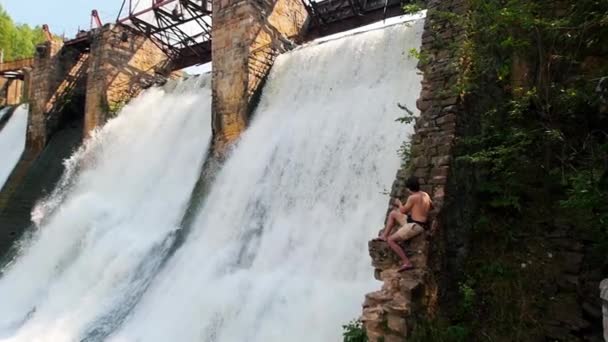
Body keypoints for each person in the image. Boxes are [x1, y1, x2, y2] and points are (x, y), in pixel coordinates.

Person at [377, 176, 433, 272]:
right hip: (416, 222)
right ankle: (384, 236)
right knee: (393, 213)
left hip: (415, 226)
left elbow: (403, 210)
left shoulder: (412, 197)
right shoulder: (425, 195)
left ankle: (407, 262)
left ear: (408, 188)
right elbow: (431, 206)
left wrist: (399, 203)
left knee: (391, 240)